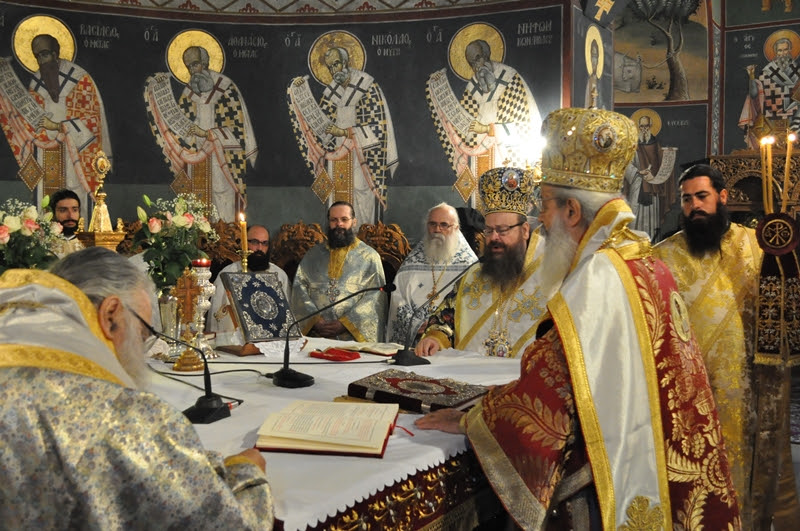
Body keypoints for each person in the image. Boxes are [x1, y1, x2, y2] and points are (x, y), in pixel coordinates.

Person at [416, 107, 740, 529]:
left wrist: (472, 421)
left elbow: (554, 388)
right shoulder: (640, 258)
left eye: (545, 207)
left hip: (619, 471)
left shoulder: (599, 275)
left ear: (571, 211)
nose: (542, 221)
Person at [0, 247, 273, 528]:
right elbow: (228, 524)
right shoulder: (122, 414)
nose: (141, 350)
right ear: (110, 315)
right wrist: (247, 472)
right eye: (143, 333)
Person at [655, 163, 799, 529]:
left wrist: (784, 259)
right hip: (690, 398)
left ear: (722, 197)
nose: (694, 206)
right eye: (687, 199)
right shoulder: (662, 257)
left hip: (747, 390)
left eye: (702, 196)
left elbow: (782, 308)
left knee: (745, 477)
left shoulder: (756, 246)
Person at [415, 166, 553, 358]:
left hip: (525, 373)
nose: (494, 237)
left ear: (524, 231)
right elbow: (445, 320)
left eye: (503, 230)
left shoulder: (553, 274)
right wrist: (435, 338)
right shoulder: (473, 276)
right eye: (489, 230)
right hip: (473, 372)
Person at [0, 32, 112, 220]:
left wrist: (57, 126)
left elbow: (91, 121)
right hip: (48, 155)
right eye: (37, 56)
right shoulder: (37, 81)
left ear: (56, 53)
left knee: (77, 203)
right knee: (48, 208)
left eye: (44, 54)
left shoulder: (80, 78)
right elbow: (32, 121)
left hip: (75, 154)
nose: (41, 61)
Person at [288, 41, 398, 225]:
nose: (333, 70)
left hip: (363, 157)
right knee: (337, 198)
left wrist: (343, 132)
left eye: (336, 64)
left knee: (361, 195)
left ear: (346, 62)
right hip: (337, 158)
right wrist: (298, 91)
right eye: (330, 67)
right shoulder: (330, 93)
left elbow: (378, 129)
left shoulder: (367, 86)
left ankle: (364, 234)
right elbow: (318, 127)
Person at [145, 43, 258, 221]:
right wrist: (158, 92)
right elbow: (178, 125)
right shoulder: (190, 91)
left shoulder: (226, 88)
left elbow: (237, 131)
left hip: (223, 156)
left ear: (205, 63)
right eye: (189, 67)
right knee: (198, 200)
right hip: (197, 156)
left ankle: (226, 230)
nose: (192, 71)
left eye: (195, 64)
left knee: (221, 193)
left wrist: (206, 134)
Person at [427, 34, 541, 205]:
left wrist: (488, 129)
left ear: (487, 54)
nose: (476, 66)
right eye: (471, 63)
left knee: (505, 205)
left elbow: (523, 126)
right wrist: (439, 97)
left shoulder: (509, 78)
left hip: (507, 157)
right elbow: (463, 128)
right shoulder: (473, 85)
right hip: (480, 159)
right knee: (481, 208)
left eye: (478, 58)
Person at [291, 201, 386, 342]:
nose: (339, 224)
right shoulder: (312, 255)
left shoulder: (369, 257)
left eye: (344, 219)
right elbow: (299, 289)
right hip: (315, 336)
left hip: (352, 339)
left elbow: (376, 297)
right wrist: (314, 320)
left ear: (354, 222)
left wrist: (347, 323)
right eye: (334, 220)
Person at [386, 202, 477, 345]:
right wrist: (414, 324)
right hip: (414, 342)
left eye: (444, 225)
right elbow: (398, 298)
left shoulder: (470, 266)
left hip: (450, 343)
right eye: (432, 224)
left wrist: (439, 326)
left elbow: (473, 305)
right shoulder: (411, 264)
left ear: (456, 228)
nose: (437, 229)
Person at [208, 224, 291, 342]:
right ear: (244, 244)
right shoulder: (228, 274)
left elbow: (286, 317)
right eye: (255, 242)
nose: (259, 248)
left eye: (265, 243)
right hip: (236, 342)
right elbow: (218, 317)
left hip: (273, 341)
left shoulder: (279, 276)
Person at [740, 32, 800, 150]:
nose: (783, 53)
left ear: (790, 51)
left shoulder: (797, 72)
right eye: (780, 50)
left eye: (785, 50)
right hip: (770, 119)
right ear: (775, 52)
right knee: (769, 149)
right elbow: (754, 95)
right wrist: (751, 77)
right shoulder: (766, 72)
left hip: (791, 117)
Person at [623, 111, 676, 241]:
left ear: (651, 126)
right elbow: (627, 164)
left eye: (646, 126)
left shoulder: (656, 145)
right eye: (641, 126)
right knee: (634, 218)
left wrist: (667, 157)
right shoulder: (633, 146)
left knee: (652, 221)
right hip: (637, 186)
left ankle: (651, 244)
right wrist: (638, 172)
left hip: (653, 189)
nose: (644, 129)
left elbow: (661, 166)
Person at [49, 188, 85, 257]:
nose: (70, 216)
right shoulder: (44, 244)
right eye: (63, 210)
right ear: (53, 214)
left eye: (74, 210)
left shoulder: (89, 243)